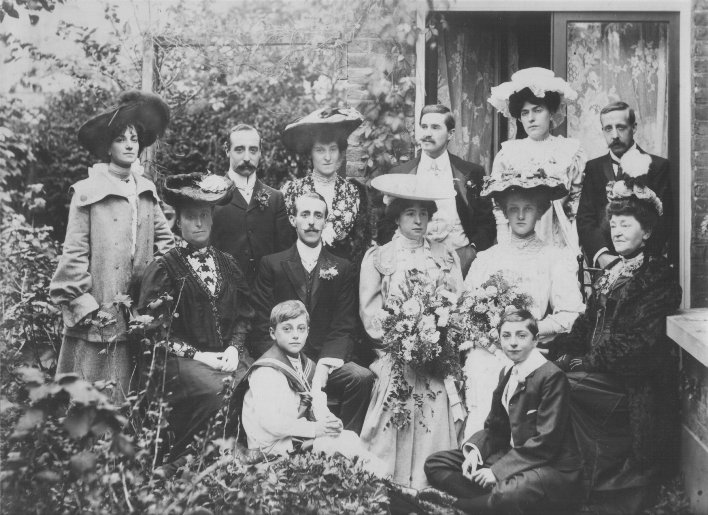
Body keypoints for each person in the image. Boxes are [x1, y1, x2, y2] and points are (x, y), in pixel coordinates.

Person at [550, 165, 682, 513]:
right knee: (542, 374)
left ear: (648, 231)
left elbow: (642, 344)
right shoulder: (612, 272)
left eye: (627, 224)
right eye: (615, 223)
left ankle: (565, 479)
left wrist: (588, 361)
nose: (618, 231)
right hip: (597, 375)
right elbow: (583, 327)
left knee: (558, 383)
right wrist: (560, 351)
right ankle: (553, 474)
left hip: (632, 384)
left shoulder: (658, 277)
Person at [50, 90, 174, 403]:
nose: (130, 144)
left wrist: (152, 292)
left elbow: (166, 244)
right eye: (121, 138)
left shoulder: (146, 190)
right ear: (108, 145)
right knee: (86, 397)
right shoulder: (87, 192)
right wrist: (86, 306)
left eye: (134, 138)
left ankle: (122, 448)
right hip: (99, 307)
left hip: (135, 311)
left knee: (125, 396)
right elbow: (74, 254)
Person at [359, 174, 465, 489]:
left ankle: (428, 479)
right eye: (410, 213)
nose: (418, 221)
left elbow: (457, 302)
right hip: (396, 354)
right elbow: (370, 312)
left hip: (437, 354)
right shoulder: (381, 257)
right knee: (397, 391)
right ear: (398, 216)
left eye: (423, 213)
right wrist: (403, 338)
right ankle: (390, 479)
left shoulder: (445, 255)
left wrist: (438, 337)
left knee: (439, 392)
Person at [137, 172, 254, 459]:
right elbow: (154, 329)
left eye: (204, 215)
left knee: (255, 380)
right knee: (218, 388)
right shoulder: (165, 267)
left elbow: (244, 314)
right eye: (191, 217)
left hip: (225, 355)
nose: (199, 223)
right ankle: (184, 463)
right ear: (178, 221)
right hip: (178, 361)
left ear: (213, 218)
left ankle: (238, 457)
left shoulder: (228, 264)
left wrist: (234, 348)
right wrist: (199, 356)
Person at [425, 309, 583, 515]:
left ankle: (455, 507)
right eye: (506, 336)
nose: (513, 342)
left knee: (508, 493)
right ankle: (492, 501)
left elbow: (546, 443)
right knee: (436, 463)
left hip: (549, 466)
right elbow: (495, 427)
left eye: (521, 335)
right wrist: (475, 453)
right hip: (513, 456)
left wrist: (496, 471)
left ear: (536, 340)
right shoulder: (508, 372)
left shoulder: (551, 376)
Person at [462, 170, 585, 435]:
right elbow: (466, 311)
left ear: (539, 212)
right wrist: (489, 337)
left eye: (527, 208)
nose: (520, 215)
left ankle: (510, 457)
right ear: (504, 212)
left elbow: (569, 315)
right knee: (480, 366)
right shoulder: (486, 259)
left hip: (533, 350)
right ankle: (475, 450)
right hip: (488, 349)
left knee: (516, 373)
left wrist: (528, 332)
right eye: (513, 209)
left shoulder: (554, 258)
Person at [249, 191, 374, 434]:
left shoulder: (342, 267)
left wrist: (323, 369)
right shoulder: (272, 265)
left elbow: (344, 325)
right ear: (292, 219)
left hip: (324, 361)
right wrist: (284, 364)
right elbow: (262, 323)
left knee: (362, 378)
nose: (311, 221)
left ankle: (342, 447)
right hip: (283, 360)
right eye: (304, 214)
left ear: (326, 221)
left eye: (318, 215)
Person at [237, 300, 385, 475]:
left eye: (301, 328)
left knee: (349, 438)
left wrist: (329, 421)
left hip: (295, 435)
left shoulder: (304, 363)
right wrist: (316, 429)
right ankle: (378, 485)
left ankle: (379, 484)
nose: (295, 335)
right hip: (271, 448)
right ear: (272, 333)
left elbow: (316, 401)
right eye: (287, 328)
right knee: (338, 448)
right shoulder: (267, 371)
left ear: (308, 331)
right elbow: (271, 424)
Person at [383, 104, 496, 276]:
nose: (427, 133)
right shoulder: (400, 173)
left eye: (435, 127)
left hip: (461, 259)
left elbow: (486, 222)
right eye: (424, 127)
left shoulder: (471, 172)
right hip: (413, 262)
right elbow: (387, 221)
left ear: (450, 133)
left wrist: (472, 252)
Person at [487, 67, 587, 251]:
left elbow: (575, 206)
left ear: (551, 112)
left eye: (537, 110)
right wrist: (504, 246)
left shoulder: (569, 151)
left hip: (559, 239)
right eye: (525, 113)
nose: (531, 118)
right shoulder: (508, 154)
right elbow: (499, 209)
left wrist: (573, 248)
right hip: (517, 241)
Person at [576, 101, 672, 269]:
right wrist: (602, 255)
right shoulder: (593, 168)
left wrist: (643, 261)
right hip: (605, 267)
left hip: (646, 266)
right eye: (608, 128)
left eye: (621, 127)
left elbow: (664, 221)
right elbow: (585, 218)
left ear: (633, 128)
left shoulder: (658, 166)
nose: (614, 135)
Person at [281, 107, 371, 267]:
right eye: (320, 150)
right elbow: (284, 243)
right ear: (311, 154)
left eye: (333, 149)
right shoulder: (292, 191)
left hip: (344, 280)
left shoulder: (354, 192)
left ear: (341, 153)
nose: (328, 157)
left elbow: (360, 246)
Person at [211, 124, 294, 286]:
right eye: (240, 150)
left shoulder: (276, 199)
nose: (247, 157)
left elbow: (284, 255)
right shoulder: (213, 196)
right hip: (226, 294)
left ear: (260, 152)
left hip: (266, 297)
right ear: (227, 150)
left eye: (253, 150)